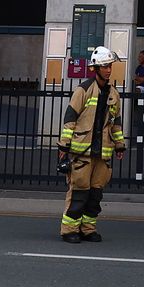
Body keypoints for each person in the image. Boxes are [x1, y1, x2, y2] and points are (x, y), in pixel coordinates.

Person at [57, 45, 123, 244]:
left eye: (110, 66)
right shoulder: (83, 89)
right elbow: (70, 117)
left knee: (95, 195)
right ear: (95, 68)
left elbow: (115, 122)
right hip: (82, 152)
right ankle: (69, 230)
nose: (108, 70)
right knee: (79, 192)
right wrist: (64, 145)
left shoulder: (114, 94)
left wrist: (119, 145)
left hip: (102, 153)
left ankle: (88, 229)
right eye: (104, 66)